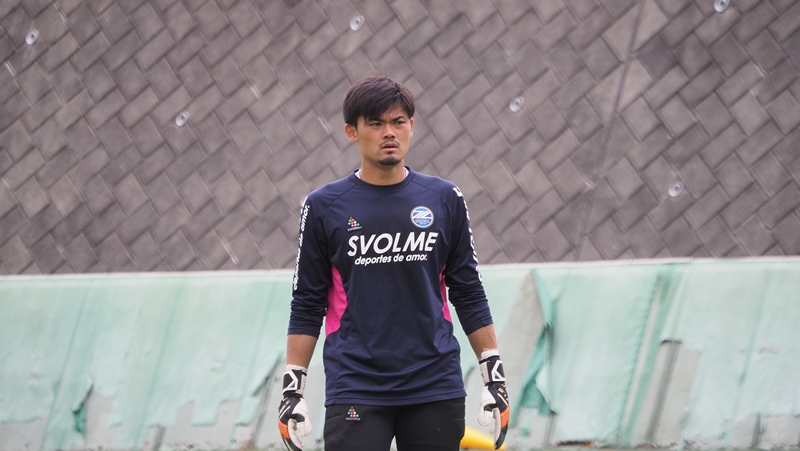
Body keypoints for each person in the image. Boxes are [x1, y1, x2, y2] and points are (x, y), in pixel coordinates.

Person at [278, 76, 510, 451]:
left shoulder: (444, 198)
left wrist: (493, 376)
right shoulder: (324, 206)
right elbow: (307, 301)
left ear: (411, 127)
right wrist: (293, 388)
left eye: (398, 122)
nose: (389, 132)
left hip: (434, 382)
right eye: (375, 123)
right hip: (356, 382)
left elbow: (467, 291)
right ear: (352, 132)